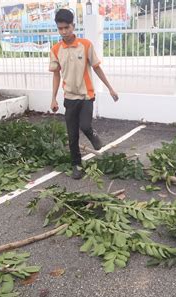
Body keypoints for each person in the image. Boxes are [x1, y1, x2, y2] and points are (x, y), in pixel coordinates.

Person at [50, 9, 119, 180]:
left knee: (85, 125)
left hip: (86, 95)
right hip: (69, 98)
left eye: (67, 27)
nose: (64, 31)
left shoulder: (86, 45)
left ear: (73, 25)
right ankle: (76, 165)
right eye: (60, 28)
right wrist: (53, 98)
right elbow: (56, 74)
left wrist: (110, 88)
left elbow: (96, 68)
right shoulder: (56, 49)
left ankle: (93, 136)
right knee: (72, 136)